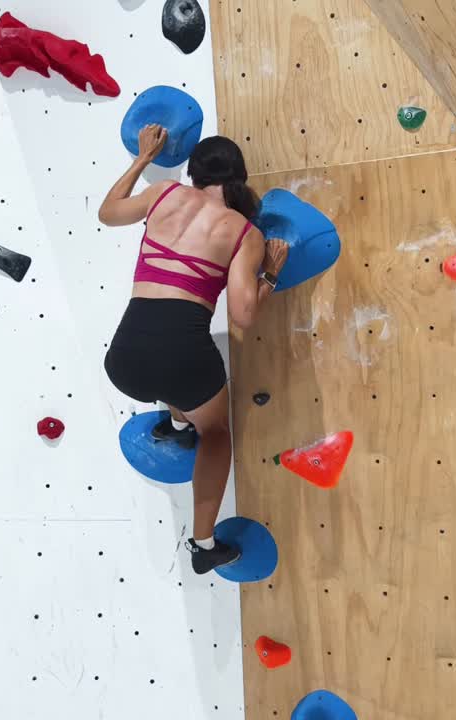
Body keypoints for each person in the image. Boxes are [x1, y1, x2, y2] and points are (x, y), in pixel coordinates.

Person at [100, 126, 288, 575]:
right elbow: (243, 316)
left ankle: (176, 423)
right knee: (217, 432)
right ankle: (204, 545)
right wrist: (271, 276)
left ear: (193, 173)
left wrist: (143, 159)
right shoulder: (245, 233)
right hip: (180, 358)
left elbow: (108, 213)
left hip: (123, 359)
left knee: (174, 374)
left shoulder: (164, 194)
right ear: (240, 177)